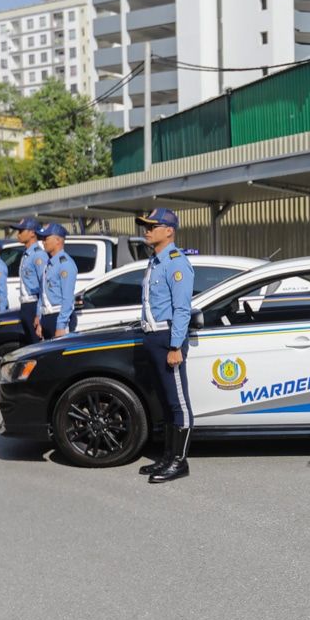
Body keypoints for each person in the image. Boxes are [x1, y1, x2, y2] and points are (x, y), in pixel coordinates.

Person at [134, 207, 195, 484]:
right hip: (152, 337)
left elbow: (182, 309)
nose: (146, 231)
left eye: (152, 226)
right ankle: (167, 457)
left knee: (177, 402)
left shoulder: (176, 262)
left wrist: (175, 346)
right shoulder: (155, 261)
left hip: (167, 338)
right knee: (165, 403)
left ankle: (179, 462)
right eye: (145, 226)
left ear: (168, 231)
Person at [34, 223, 77, 339]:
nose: (43, 242)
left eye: (46, 238)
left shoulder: (65, 264)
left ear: (58, 240)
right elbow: (43, 294)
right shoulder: (49, 263)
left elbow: (67, 299)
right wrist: (40, 319)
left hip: (59, 317)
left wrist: (61, 325)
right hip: (47, 317)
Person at [12, 217, 47, 342]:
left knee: (36, 342)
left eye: (21, 231)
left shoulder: (38, 255)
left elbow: (43, 286)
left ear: (32, 233)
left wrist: (39, 313)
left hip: (34, 304)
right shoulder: (27, 253)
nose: (18, 234)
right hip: (26, 305)